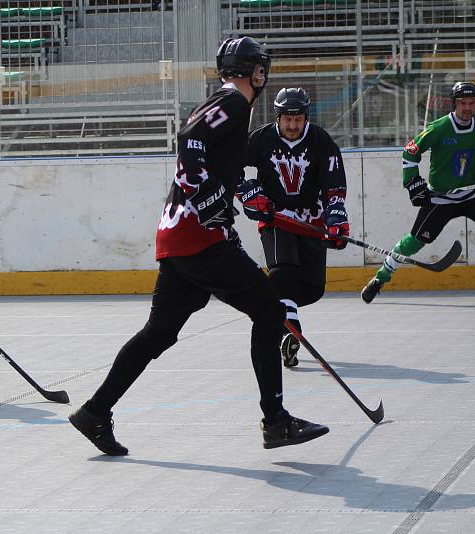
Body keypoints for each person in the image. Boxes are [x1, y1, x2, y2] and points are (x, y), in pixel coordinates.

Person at [68, 36, 329, 455]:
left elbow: (209, 158)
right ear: (255, 72)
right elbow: (189, 143)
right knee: (268, 311)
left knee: (159, 333)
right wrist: (210, 204)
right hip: (198, 240)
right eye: (262, 67)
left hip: (181, 238)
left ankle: (94, 412)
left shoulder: (220, 103)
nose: (264, 74)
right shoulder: (233, 104)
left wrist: (233, 196)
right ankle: (276, 422)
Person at [240, 87, 349, 368]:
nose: (292, 125)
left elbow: (334, 183)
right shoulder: (262, 139)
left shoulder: (321, 141)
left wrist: (336, 216)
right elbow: (230, 166)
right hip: (275, 220)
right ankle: (291, 328)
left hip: (310, 222)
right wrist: (247, 191)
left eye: (298, 119)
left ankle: (274, 306)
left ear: (305, 117)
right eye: (287, 119)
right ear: (278, 117)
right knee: (283, 271)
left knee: (313, 289)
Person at [361, 81, 475, 303]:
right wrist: (413, 183)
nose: (467, 108)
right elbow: (410, 151)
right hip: (441, 199)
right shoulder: (439, 127)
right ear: (454, 104)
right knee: (414, 242)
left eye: (471, 103)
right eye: (462, 103)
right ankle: (380, 278)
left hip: (471, 195)